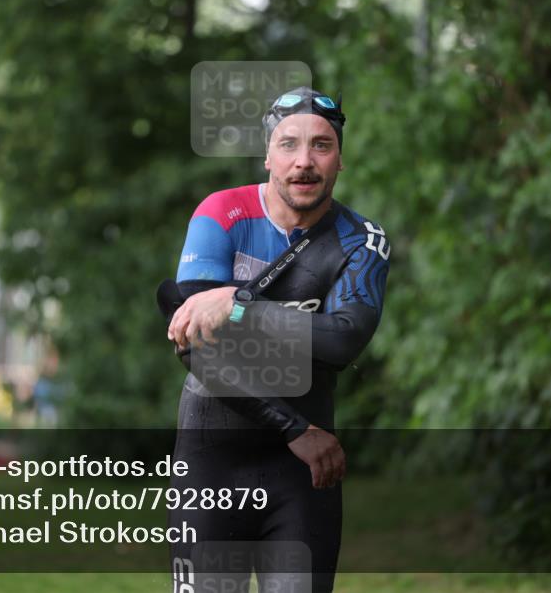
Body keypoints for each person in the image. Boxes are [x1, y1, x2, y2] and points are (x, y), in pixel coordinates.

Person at [163, 86, 390, 592]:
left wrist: (238, 305)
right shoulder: (221, 214)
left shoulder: (361, 240)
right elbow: (199, 348)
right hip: (215, 462)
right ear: (268, 154)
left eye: (321, 146)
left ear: (340, 159)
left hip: (303, 479)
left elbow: (342, 341)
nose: (304, 162)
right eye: (288, 144)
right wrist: (294, 428)